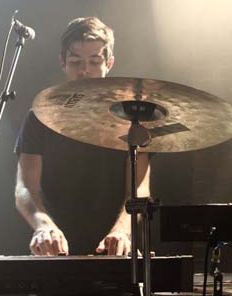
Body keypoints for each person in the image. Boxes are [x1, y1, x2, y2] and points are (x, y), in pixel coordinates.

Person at [14, 17, 150, 256]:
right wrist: (43, 226)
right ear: (62, 63)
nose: (85, 70)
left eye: (94, 61)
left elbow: (139, 190)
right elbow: (25, 187)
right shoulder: (39, 118)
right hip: (55, 249)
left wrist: (121, 232)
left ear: (109, 63)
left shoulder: (133, 119)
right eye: (76, 62)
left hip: (114, 249)